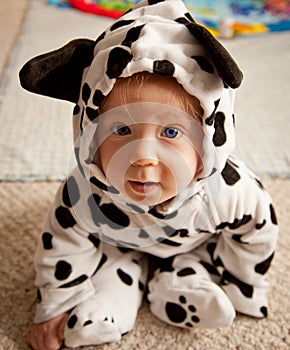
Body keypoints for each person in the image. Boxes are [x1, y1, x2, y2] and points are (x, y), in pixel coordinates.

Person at [19, 0, 278, 349]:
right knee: (105, 260)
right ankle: (105, 305)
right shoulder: (86, 193)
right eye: (121, 130)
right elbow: (63, 244)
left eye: (171, 133)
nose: (142, 157)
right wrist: (54, 307)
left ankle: (186, 281)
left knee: (204, 258)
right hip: (117, 242)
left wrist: (243, 284)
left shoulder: (231, 192)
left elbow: (256, 232)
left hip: (195, 244)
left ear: (208, 141)